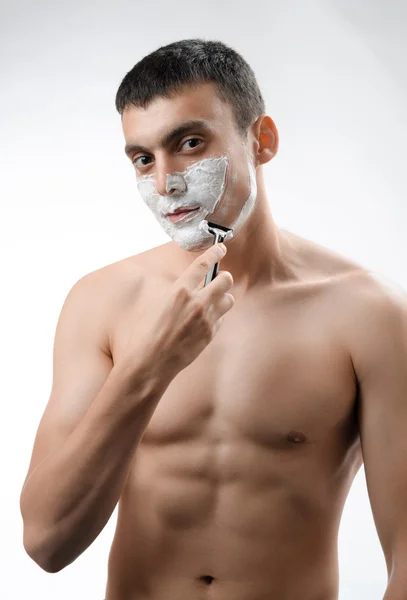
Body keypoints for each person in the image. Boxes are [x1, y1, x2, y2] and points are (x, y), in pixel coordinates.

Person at [20, 39, 407, 600]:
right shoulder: (101, 302)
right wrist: (149, 367)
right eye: (143, 158)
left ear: (262, 141)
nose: (164, 183)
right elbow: (46, 543)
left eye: (190, 144)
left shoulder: (368, 315)